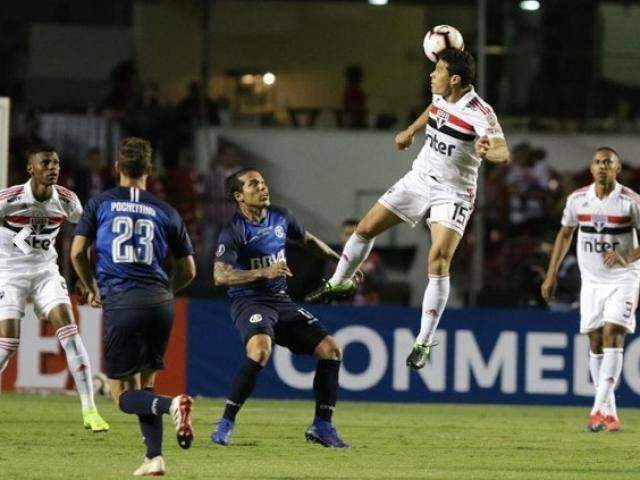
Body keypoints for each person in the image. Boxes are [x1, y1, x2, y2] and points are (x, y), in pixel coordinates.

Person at [306, 48, 510, 369]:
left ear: (454, 79)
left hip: (453, 193)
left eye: (438, 70)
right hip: (419, 178)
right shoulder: (441, 96)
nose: (432, 75)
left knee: (438, 259)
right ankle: (340, 281)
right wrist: (411, 131)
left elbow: (502, 151)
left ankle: (424, 341)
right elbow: (433, 110)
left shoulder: (480, 112)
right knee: (364, 228)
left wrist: (488, 150)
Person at [70, 137, 196, 476]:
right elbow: (189, 269)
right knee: (146, 384)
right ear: (150, 171)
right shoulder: (166, 210)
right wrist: (164, 291)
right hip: (160, 303)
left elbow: (77, 252)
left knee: (122, 394)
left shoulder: (100, 203)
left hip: (123, 302)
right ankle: (154, 458)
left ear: (117, 168)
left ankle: (174, 405)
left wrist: (88, 286)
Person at [210, 168, 358, 448]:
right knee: (260, 350)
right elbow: (221, 276)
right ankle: (226, 422)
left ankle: (322, 426)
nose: (263, 188)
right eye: (254, 184)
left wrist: (343, 265)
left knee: (332, 350)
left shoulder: (281, 216)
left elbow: (309, 240)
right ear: (239, 196)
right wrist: (263, 272)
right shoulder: (233, 231)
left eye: (264, 183)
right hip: (249, 301)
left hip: (281, 301)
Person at [0, 144, 109, 432]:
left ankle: (90, 411)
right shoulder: (8, 199)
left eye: (56, 163)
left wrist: (85, 281)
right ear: (30, 168)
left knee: (71, 335)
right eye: (46, 163)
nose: (53, 168)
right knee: (8, 345)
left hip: (46, 272)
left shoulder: (67, 200)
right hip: (9, 273)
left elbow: (85, 238)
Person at [541, 147, 640, 433]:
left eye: (608, 163)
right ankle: (610, 414)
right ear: (591, 167)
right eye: (597, 162)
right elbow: (564, 234)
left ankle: (596, 408)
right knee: (595, 341)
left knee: (612, 333)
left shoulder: (630, 202)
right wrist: (551, 274)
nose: (601, 167)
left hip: (624, 279)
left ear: (617, 169)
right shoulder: (577, 200)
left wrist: (627, 257)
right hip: (592, 282)